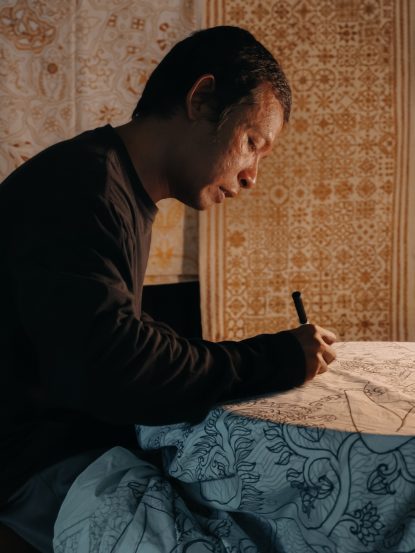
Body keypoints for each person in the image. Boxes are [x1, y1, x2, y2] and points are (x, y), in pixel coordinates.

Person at [0, 26, 336, 553]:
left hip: (64, 443)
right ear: (201, 99)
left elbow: (113, 333)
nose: (252, 177)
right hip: (29, 463)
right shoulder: (83, 188)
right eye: (252, 143)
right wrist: (276, 358)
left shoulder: (112, 183)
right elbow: (112, 366)